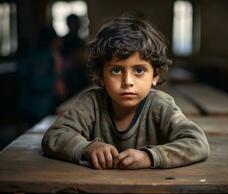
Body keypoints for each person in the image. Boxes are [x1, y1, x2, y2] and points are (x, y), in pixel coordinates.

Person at [42, 17, 210, 169]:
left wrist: (149, 157)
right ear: (101, 76)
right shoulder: (91, 102)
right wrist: (87, 148)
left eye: (139, 70)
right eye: (116, 70)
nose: (127, 81)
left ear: (155, 76)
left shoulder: (160, 105)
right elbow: (54, 136)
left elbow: (197, 143)